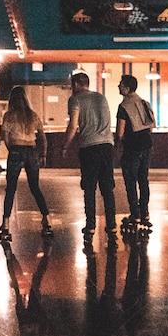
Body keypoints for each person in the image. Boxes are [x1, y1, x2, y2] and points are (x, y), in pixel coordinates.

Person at [62, 72, 116, 239]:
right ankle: (112, 226)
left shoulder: (75, 99)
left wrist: (65, 146)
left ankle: (91, 226)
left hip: (89, 147)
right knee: (107, 188)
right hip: (107, 146)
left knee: (90, 188)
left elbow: (73, 125)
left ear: (77, 84)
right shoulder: (101, 97)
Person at [0, 86, 51, 240]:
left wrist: (13, 150)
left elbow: (6, 138)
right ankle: (47, 220)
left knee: (11, 189)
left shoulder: (8, 115)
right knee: (35, 187)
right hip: (31, 151)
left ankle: (6, 224)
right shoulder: (33, 115)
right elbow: (42, 137)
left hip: (16, 150)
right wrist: (43, 154)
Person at [115, 74, 155, 230]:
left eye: (120, 84)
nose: (118, 86)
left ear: (126, 87)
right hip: (147, 145)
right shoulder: (145, 103)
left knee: (130, 180)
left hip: (132, 147)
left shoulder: (123, 106)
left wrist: (117, 145)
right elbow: (151, 126)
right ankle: (145, 213)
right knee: (143, 179)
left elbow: (119, 132)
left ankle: (135, 214)